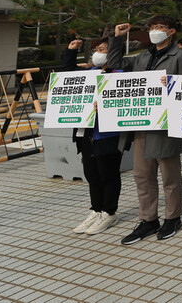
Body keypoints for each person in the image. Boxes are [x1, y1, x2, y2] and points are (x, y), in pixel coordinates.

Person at [107, 15, 182, 245]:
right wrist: (117, 38)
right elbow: (114, 64)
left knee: (169, 176)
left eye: (160, 27)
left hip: (166, 125)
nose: (155, 31)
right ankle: (148, 219)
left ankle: (173, 217)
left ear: (171, 31)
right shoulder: (142, 57)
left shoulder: (181, 56)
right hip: (142, 124)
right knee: (142, 176)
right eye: (152, 27)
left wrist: (172, 83)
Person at [63, 38, 122, 236]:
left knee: (108, 174)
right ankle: (95, 209)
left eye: (102, 50)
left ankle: (109, 212)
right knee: (92, 175)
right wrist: (71, 51)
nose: (97, 53)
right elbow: (68, 74)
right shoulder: (89, 73)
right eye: (96, 50)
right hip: (86, 133)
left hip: (108, 134)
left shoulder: (118, 74)